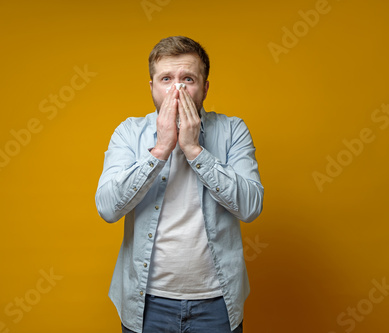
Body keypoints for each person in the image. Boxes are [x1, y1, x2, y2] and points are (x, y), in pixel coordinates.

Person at [95, 36, 264, 333]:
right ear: (151, 87)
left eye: (188, 78)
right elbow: (108, 208)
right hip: (145, 303)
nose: (177, 89)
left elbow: (251, 207)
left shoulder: (233, 130)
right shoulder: (128, 132)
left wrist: (194, 150)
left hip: (217, 303)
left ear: (205, 87)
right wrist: (160, 150)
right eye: (166, 79)